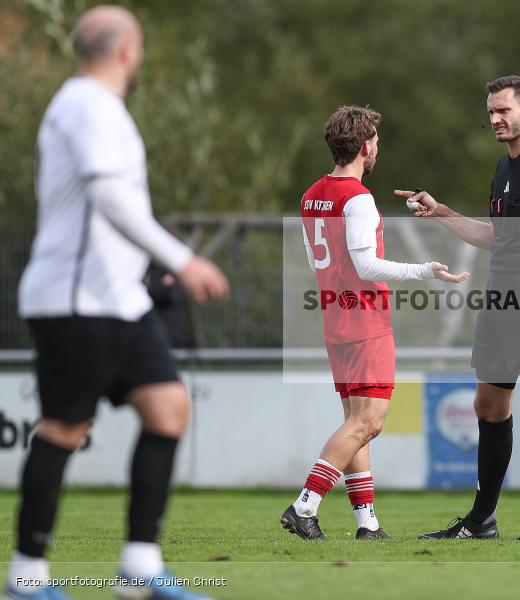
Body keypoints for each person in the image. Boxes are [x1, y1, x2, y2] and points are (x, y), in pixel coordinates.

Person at [8, 6, 229, 600]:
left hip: (117, 300)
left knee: (168, 407)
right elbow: (110, 200)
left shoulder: (99, 109)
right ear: (128, 51)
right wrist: (182, 260)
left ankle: (139, 567)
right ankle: (27, 577)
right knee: (64, 426)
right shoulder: (86, 106)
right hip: (74, 300)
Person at [396, 75, 520, 542]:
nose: (495, 119)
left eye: (504, 110)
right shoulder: (504, 170)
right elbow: (495, 238)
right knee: (488, 404)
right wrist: (441, 211)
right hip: (502, 297)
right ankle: (481, 520)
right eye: (490, 112)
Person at [280, 106, 468, 541]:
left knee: (354, 420)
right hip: (364, 319)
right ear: (366, 147)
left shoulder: (311, 194)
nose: (377, 147)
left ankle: (368, 523)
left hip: (335, 316)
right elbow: (366, 266)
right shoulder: (358, 197)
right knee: (370, 421)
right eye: (376, 141)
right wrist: (426, 270)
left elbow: (315, 259)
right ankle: (305, 505)